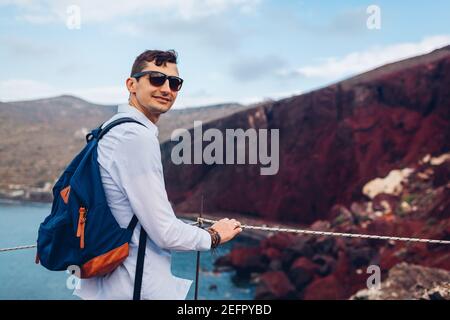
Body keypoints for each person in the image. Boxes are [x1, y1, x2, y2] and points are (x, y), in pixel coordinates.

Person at [74, 49, 242, 300]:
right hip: (133, 288)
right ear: (131, 84)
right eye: (156, 79)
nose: (166, 88)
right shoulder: (135, 137)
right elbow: (164, 231)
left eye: (174, 83)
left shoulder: (111, 128)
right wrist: (214, 236)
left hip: (107, 285)